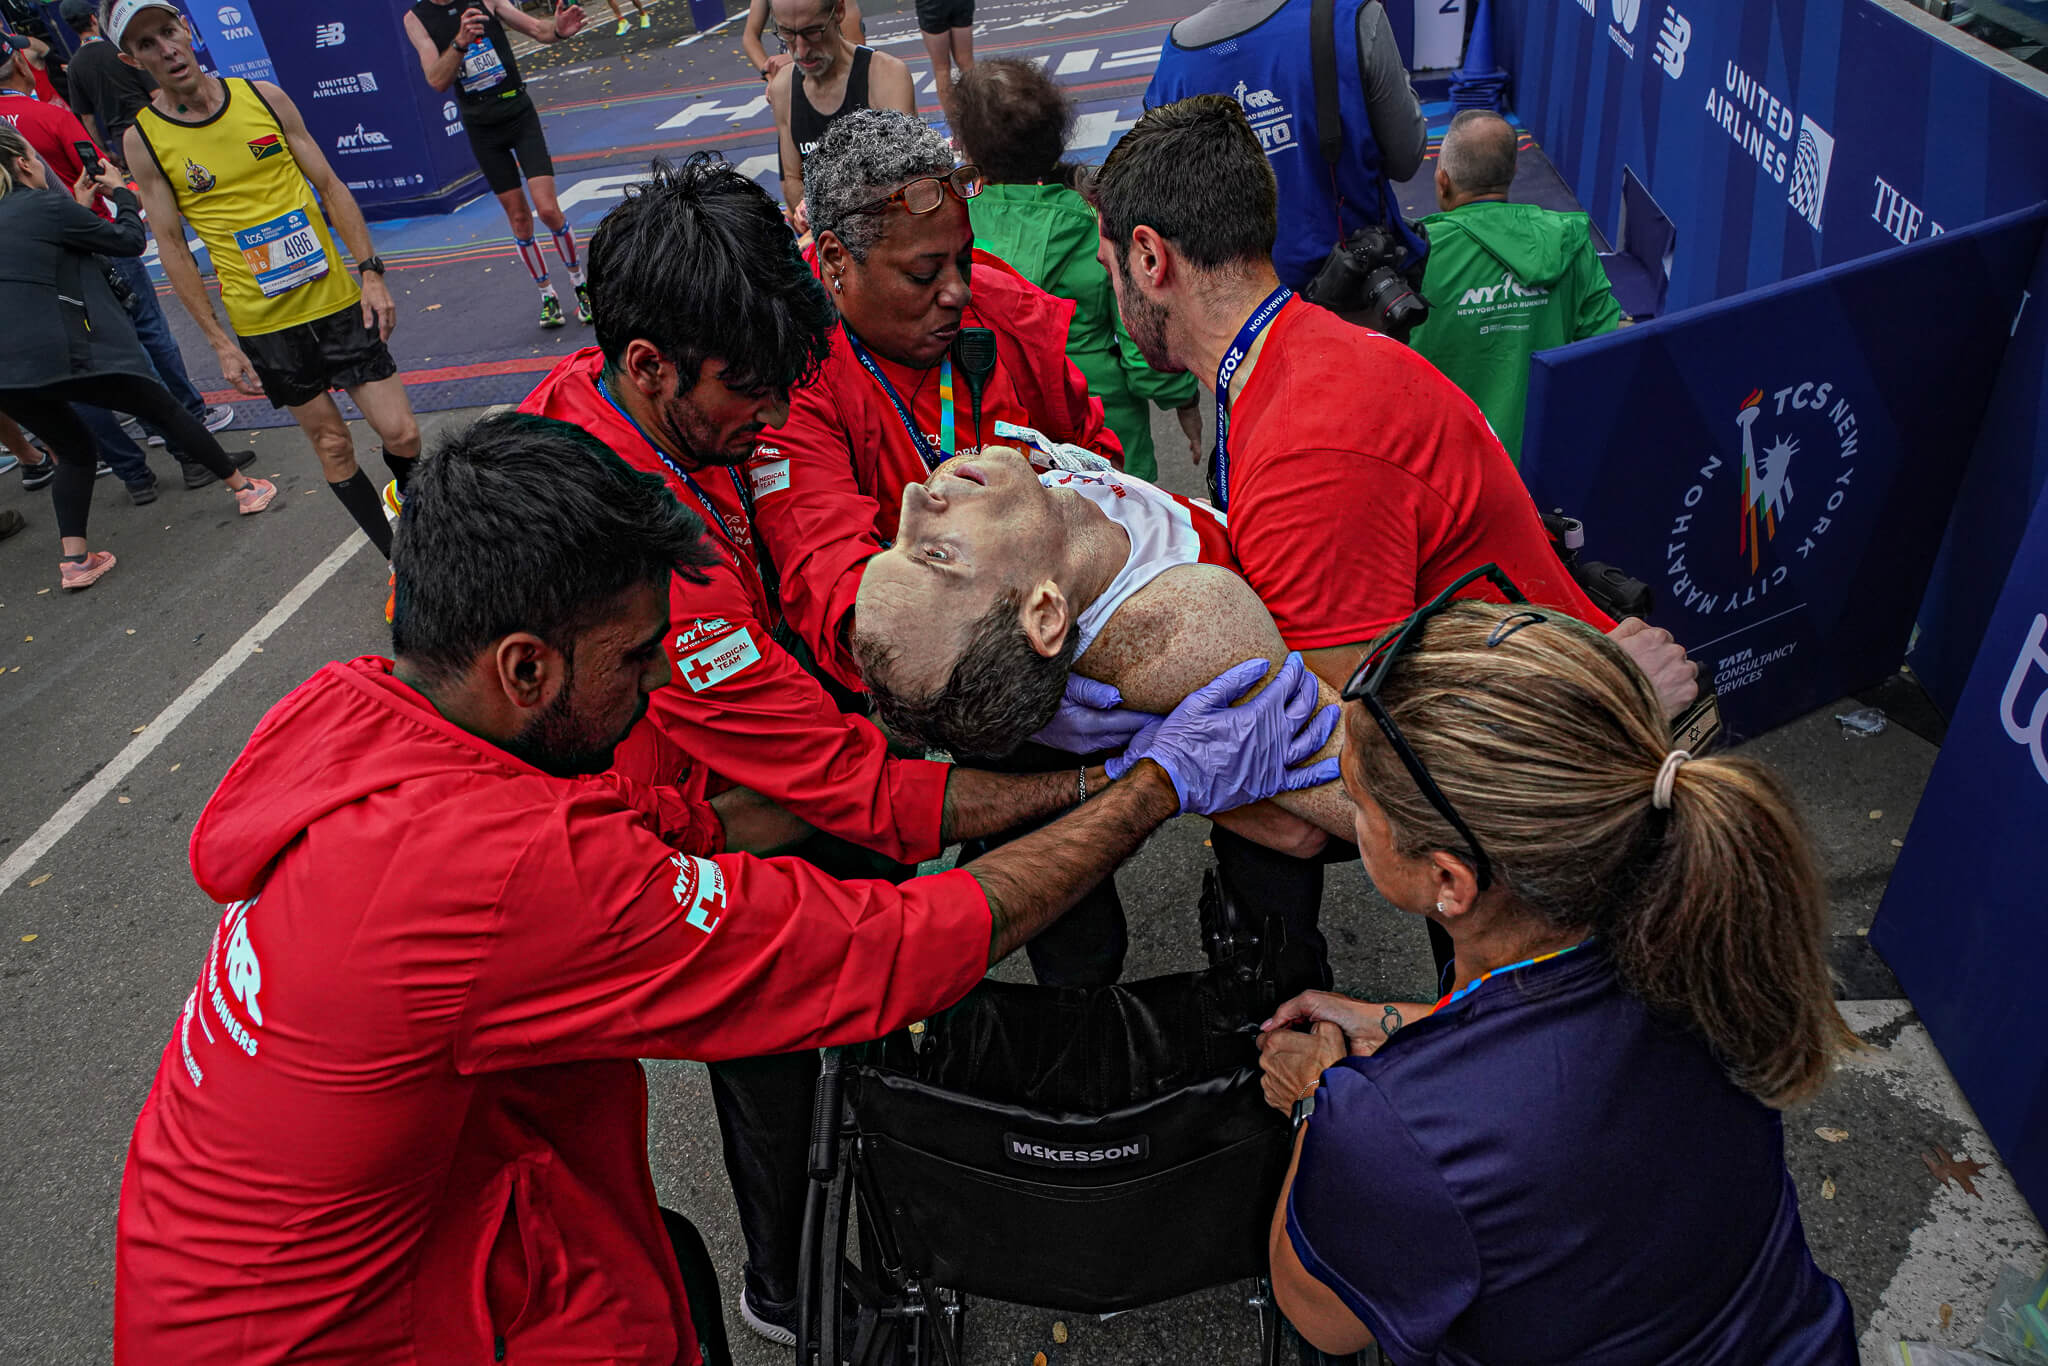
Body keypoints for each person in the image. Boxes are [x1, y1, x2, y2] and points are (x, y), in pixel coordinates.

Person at [111, 407, 1336, 1363]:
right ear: (526, 663)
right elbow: (897, 948)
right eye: (635, 660)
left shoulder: (365, 717)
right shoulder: (501, 874)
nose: (656, 693)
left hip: (324, 1258)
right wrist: (1155, 787)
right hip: (348, 1338)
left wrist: (1078, 781)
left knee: (662, 1276)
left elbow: (701, 822)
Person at [521, 154, 1196, 1345]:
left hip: (782, 781)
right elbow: (861, 783)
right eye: (749, 394)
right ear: (644, 365)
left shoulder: (671, 409)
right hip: (699, 838)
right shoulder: (646, 566)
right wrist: (1111, 785)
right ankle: (792, 1291)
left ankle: (888, 1189)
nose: (775, 420)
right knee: (783, 1052)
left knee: (863, 1012)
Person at [1082, 96, 1699, 978]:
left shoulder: (1306, 446)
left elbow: (1354, 790)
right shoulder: (1293, 358)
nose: (1115, 290)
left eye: (1112, 267)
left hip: (1551, 829)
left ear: (1150, 258)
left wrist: (1152, 765)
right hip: (1544, 754)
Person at [1252, 596, 1859, 1363]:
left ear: (1448, 879)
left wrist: (1318, 1096)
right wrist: (1417, 1029)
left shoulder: (1386, 1131)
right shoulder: (1704, 935)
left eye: (1359, 800)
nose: (1353, 813)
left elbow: (1318, 1315)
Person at [751, 107, 1123, 695]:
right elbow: (842, 598)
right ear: (833, 260)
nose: (957, 291)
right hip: (917, 687)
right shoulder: (786, 376)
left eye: (964, 259)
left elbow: (1098, 466)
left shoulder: (1004, 313)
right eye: (924, 274)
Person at [853, 448, 1352, 860]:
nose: (914, 498)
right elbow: (1373, 799)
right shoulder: (1182, 629)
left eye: (891, 542)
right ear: (1046, 615)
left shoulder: (997, 507)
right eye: (936, 554)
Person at [118, 0, 421, 558]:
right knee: (332, 445)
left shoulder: (262, 98)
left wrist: (371, 272)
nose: (165, 50)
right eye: (146, 45)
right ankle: (401, 563)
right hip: (266, 324)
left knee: (401, 432)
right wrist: (219, 342)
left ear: (186, 30)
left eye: (167, 32)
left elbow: (329, 185)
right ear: (132, 60)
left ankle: (419, 513)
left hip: (335, 300)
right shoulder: (144, 138)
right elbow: (172, 246)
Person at [0, 123, 275, 589]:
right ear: (25, 163)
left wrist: (80, 209)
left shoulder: (37, 212)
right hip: (68, 350)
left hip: (9, 374)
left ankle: (76, 562)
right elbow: (129, 241)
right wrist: (123, 193)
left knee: (72, 451)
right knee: (163, 408)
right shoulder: (42, 205)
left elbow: (40, 254)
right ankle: (246, 490)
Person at [0, 38, 238, 503]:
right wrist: (121, 195)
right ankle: (192, 441)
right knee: (142, 342)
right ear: (21, 64)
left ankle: (133, 473)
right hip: (91, 245)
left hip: (33, 296)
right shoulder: (44, 117)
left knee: (74, 374)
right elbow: (98, 176)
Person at [951, 58, 1199, 481]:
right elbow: (1140, 338)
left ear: (968, 149)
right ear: (1056, 136)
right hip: (1103, 425)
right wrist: (1183, 400)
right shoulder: (1095, 223)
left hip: (1001, 425)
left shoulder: (955, 223)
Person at [1146, 0, 1426, 295]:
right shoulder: (1349, 17)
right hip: (1355, 294)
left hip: (1240, 309)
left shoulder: (1176, 58)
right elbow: (1406, 157)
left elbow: (1167, 205)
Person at [1409, 110, 1622, 463]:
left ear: (1443, 181)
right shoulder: (1567, 241)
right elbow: (1603, 349)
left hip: (1448, 471)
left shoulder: (1418, 254)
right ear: (1511, 174)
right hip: (1547, 465)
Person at [406, 0, 592, 329]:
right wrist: (460, 41)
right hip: (482, 127)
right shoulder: (416, 19)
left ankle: (580, 285)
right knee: (520, 219)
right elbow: (436, 79)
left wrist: (559, 30)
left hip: (518, 114)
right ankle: (547, 296)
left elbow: (537, 29)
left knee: (547, 209)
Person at [765, 0, 913, 231]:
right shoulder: (784, 87)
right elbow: (791, 180)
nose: (801, 50)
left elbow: (906, 179)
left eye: (813, 32)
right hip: (831, 244)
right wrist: (804, 209)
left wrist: (822, 208)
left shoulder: (885, 76)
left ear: (839, 11)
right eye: (787, 34)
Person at [57, 0, 152, 167]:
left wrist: (104, 152)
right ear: (94, 19)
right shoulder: (121, 50)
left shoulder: (75, 67)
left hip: (124, 143)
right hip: (153, 127)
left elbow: (87, 118)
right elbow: (156, 92)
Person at [745, 0, 862, 80]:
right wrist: (770, 75)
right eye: (787, 31)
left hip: (834, 74)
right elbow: (750, 37)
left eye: (812, 30)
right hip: (797, 78)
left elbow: (856, 45)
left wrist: (795, 59)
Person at [916, 0, 972, 121]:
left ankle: (956, 129)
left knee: (942, 68)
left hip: (933, 4)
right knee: (966, 63)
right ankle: (982, 117)